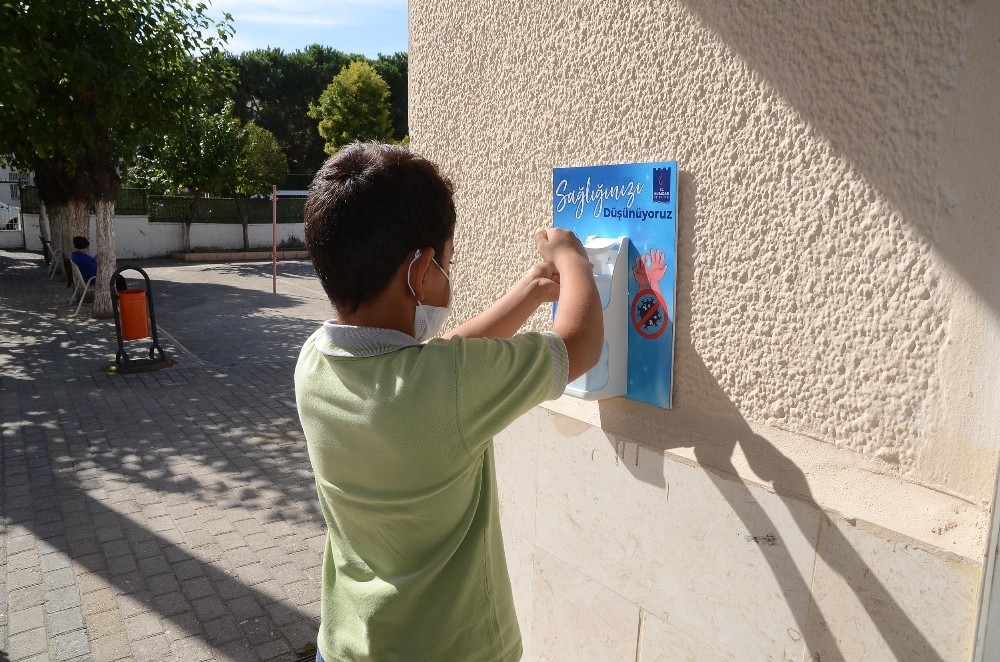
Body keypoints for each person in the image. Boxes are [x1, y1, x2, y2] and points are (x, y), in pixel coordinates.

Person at [295, 142, 603, 662]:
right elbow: (580, 345)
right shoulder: (448, 388)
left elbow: (438, 358)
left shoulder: (314, 365)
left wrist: (525, 293)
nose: (447, 280)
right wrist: (573, 261)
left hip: (348, 644)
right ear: (418, 272)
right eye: (445, 267)